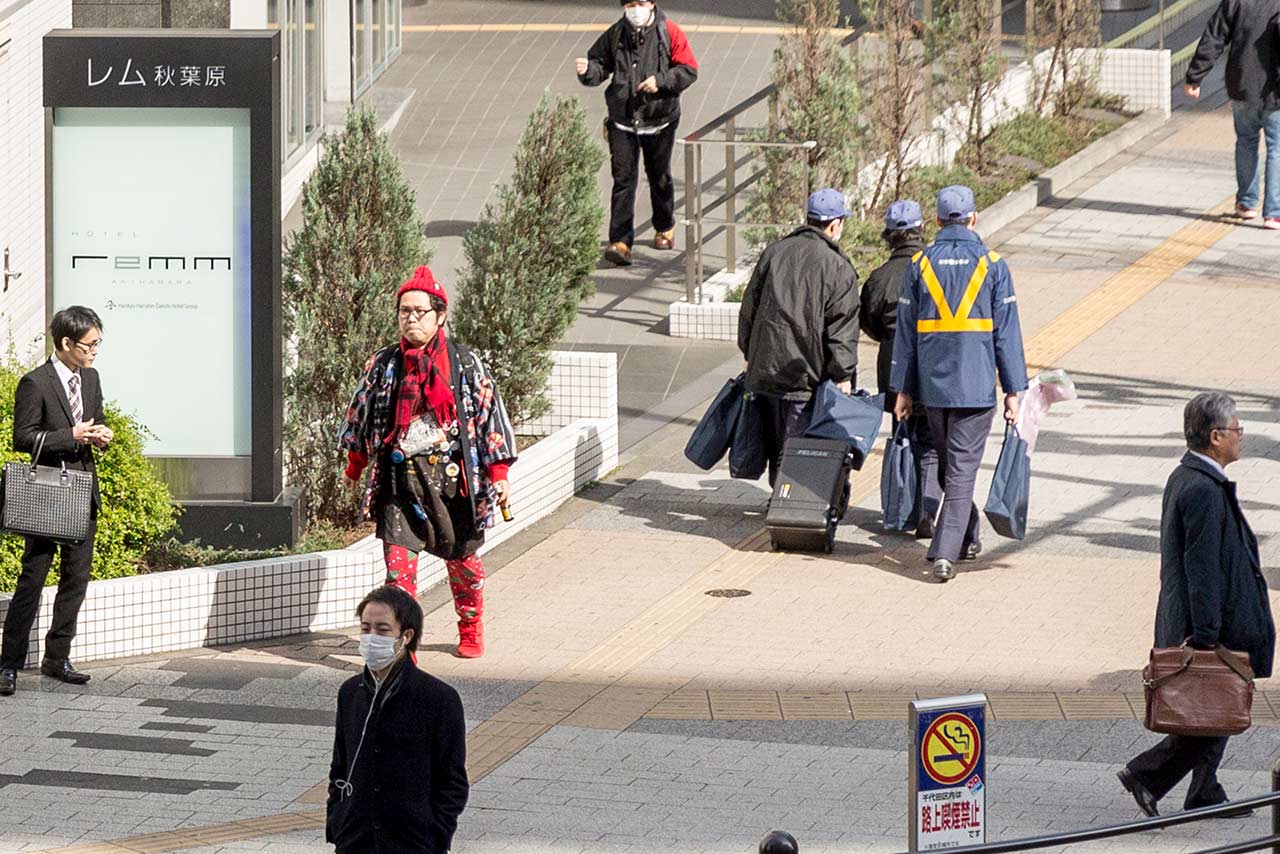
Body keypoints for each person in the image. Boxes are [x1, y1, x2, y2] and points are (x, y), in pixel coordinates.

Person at [339, 266, 517, 659]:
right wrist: (355, 464)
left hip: (455, 485)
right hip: (400, 484)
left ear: (440, 317)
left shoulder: (465, 364)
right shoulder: (383, 365)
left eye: (420, 312)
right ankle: (406, 645)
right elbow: (361, 415)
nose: (411, 319)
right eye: (404, 311)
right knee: (398, 575)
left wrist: (499, 473)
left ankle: (470, 624)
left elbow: (490, 415)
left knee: (464, 565)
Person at [1118, 393, 1275, 819]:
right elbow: (1202, 568)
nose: (1241, 437)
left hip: (1207, 616)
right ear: (1216, 436)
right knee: (1216, 707)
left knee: (1217, 705)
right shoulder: (1203, 489)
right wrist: (1205, 635)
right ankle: (1147, 774)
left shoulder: (1189, 476)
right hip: (1207, 622)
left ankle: (1205, 790)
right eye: (1237, 430)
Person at [890, 186, 1027, 582]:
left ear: (936, 221)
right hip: (977, 386)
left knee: (953, 467)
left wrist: (903, 388)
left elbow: (906, 334)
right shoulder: (993, 265)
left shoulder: (919, 265)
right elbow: (1007, 335)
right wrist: (1014, 390)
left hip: (933, 389)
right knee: (960, 471)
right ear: (974, 217)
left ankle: (962, 538)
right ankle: (945, 554)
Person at [1, 306, 113, 697]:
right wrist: (72, 436)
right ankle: (8, 664)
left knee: (75, 581)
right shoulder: (35, 383)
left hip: (83, 491)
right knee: (32, 579)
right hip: (48, 494)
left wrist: (99, 434)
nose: (95, 351)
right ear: (66, 343)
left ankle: (57, 657)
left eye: (98, 343)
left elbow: (92, 421)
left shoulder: (92, 378)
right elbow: (23, 437)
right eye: (89, 345)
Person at [327, 585, 469, 853]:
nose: (371, 637)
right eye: (365, 628)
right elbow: (340, 766)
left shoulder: (438, 698)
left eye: (382, 630)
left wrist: (436, 834)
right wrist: (337, 821)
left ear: (406, 636)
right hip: (355, 841)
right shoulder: (350, 693)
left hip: (412, 842)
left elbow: (452, 781)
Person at [738, 188, 860, 485]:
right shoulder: (837, 266)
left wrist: (749, 353)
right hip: (805, 375)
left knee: (775, 442)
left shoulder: (775, 252)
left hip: (766, 369)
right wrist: (843, 373)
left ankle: (779, 499)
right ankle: (787, 508)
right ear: (834, 225)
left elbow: (749, 308)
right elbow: (841, 326)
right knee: (797, 445)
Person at [576, 0, 699, 267]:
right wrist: (588, 72)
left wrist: (661, 81)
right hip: (622, 123)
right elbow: (600, 65)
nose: (636, 9)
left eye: (641, 2)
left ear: (652, 4)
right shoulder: (616, 34)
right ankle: (620, 242)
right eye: (630, 3)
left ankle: (664, 224)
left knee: (660, 176)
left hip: (660, 121)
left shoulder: (670, 32)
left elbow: (689, 70)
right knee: (623, 181)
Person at [860, 199, 940, 538]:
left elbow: (869, 323)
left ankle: (903, 507)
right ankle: (928, 510)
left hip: (894, 369)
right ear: (922, 230)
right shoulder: (935, 268)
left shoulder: (880, 277)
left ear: (889, 237)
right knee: (933, 442)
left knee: (903, 436)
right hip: (935, 367)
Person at [1184, 0, 1280, 228]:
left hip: (1242, 84)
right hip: (1275, 89)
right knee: (1277, 148)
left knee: (1246, 142)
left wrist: (1195, 76)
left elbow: (1214, 37)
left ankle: (1247, 204)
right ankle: (1274, 213)